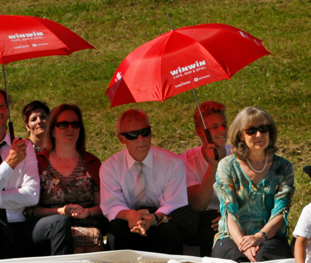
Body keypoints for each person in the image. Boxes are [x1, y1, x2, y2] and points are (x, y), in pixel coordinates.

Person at [0, 84, 72, 261]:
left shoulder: (24, 147)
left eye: (2, 106)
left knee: (58, 222)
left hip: (17, 223)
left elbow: (31, 195)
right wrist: (10, 163)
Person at [100, 109, 192, 254]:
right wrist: (130, 216)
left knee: (171, 231)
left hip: (162, 217)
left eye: (145, 131)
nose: (141, 138)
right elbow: (112, 205)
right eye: (133, 135)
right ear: (121, 139)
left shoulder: (173, 163)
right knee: (116, 231)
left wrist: (154, 218)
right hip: (127, 219)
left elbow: (174, 203)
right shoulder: (110, 167)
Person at [211, 107, 294, 262]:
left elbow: (280, 211)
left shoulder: (283, 167)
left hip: (270, 235)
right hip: (232, 236)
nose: (259, 135)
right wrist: (244, 244)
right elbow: (229, 211)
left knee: (264, 260)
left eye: (264, 129)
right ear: (240, 135)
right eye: (252, 131)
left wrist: (259, 237)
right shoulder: (227, 166)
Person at [29, 103, 107, 253]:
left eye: (75, 124)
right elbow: (30, 211)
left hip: (87, 223)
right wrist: (59, 211)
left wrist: (88, 211)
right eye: (63, 124)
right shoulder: (38, 163)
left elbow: (104, 207)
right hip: (50, 226)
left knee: (89, 235)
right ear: (52, 130)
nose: (70, 129)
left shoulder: (92, 163)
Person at [181, 100, 229, 253]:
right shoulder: (187, 161)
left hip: (236, 213)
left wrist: (231, 215)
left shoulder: (239, 154)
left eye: (224, 125)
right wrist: (213, 166)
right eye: (214, 127)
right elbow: (198, 205)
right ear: (200, 132)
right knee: (208, 222)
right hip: (206, 219)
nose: (222, 130)